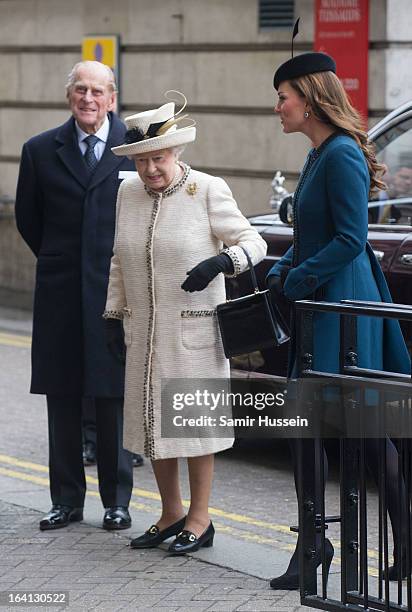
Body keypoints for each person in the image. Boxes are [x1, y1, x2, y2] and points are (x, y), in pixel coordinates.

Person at [267, 52, 411, 588]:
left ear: (308, 99)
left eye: (283, 97)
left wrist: (297, 280)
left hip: (343, 307)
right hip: (322, 303)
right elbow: (312, 236)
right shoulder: (318, 154)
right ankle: (314, 544)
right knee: (309, 428)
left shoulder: (342, 154)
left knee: (365, 433)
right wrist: (280, 273)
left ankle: (389, 543)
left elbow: (352, 239)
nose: (278, 108)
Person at [103, 91, 267, 554]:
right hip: (145, 331)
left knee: (194, 425)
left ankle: (201, 517)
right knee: (152, 424)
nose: (150, 169)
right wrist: (112, 316)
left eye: (158, 158)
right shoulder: (127, 192)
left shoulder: (208, 189)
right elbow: (119, 258)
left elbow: (254, 244)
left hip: (194, 331)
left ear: (176, 152)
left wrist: (221, 262)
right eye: (142, 161)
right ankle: (170, 512)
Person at [15, 60, 137, 531]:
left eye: (98, 91)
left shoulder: (135, 149)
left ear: (112, 98)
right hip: (61, 294)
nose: (88, 99)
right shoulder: (40, 150)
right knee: (62, 397)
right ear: (70, 96)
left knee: (111, 399)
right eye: (80, 90)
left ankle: (117, 501)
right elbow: (30, 221)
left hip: (115, 293)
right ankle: (66, 500)